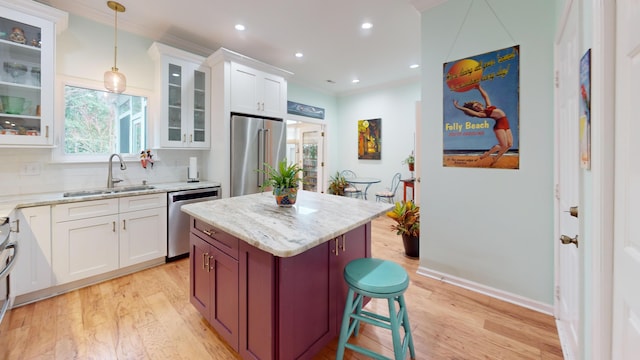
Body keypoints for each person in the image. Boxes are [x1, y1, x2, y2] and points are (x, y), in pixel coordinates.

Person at [453, 84, 513, 166]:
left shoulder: (488, 106)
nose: (477, 107)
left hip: (506, 124)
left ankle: (496, 158)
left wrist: (479, 88)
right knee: (504, 145)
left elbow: (485, 96)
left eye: (477, 105)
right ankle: (487, 153)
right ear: (475, 110)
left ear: (479, 103)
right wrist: (458, 107)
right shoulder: (482, 114)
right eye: (475, 108)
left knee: (509, 145)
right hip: (499, 126)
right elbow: (469, 111)